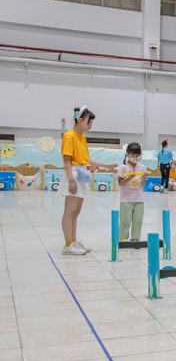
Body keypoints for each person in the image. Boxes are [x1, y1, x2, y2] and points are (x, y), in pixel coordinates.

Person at [59, 106, 118, 256]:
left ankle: (73, 241)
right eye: (89, 122)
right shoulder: (69, 136)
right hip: (73, 174)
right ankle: (67, 245)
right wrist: (71, 180)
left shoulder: (82, 137)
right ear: (80, 120)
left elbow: (86, 159)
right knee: (69, 211)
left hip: (82, 173)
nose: (90, 125)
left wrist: (107, 165)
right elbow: (67, 160)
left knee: (76, 212)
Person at [116, 143, 146, 242]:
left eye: (136, 156)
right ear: (128, 155)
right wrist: (128, 179)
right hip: (126, 199)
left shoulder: (142, 167)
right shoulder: (123, 167)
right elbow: (120, 183)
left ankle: (135, 238)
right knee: (125, 221)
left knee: (138, 220)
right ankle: (123, 239)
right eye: (132, 156)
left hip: (139, 198)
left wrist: (144, 176)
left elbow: (143, 183)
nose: (134, 158)